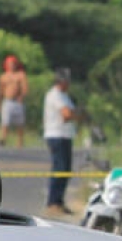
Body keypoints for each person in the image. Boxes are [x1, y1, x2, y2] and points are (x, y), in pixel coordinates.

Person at [43, 67, 77, 216]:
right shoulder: (55, 95)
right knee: (60, 168)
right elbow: (67, 115)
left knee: (65, 169)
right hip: (56, 135)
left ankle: (59, 201)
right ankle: (53, 202)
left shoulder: (64, 96)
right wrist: (78, 115)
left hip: (65, 135)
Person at [0, 54, 28, 148]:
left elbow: (25, 89)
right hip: (7, 101)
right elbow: (1, 91)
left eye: (13, 63)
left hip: (17, 102)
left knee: (20, 123)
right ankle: (3, 139)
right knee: (5, 122)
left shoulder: (21, 75)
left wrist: (21, 96)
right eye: (9, 63)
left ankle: (20, 142)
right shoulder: (3, 77)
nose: (11, 65)